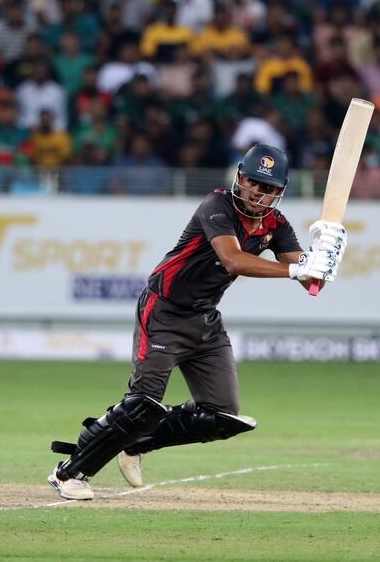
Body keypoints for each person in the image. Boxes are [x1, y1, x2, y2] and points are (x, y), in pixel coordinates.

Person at [46, 144, 348, 500]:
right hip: (163, 312)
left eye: (266, 188)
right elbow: (234, 260)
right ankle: (69, 472)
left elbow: (312, 282)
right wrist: (300, 267)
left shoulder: (276, 224)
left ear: (279, 192)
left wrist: (326, 255)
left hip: (205, 321)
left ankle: (139, 443)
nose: (256, 193)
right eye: (252, 182)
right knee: (143, 403)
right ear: (239, 178)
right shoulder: (217, 205)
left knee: (222, 415)